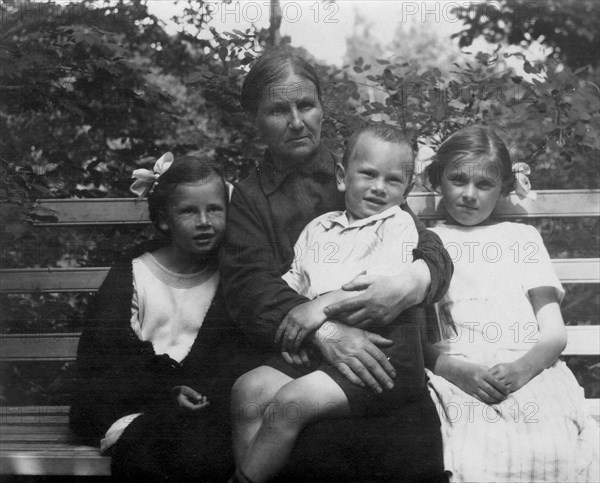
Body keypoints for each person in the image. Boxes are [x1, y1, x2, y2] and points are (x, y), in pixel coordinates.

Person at [220, 51, 453, 482]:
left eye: (305, 105)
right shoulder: (252, 199)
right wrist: (325, 329)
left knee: (357, 437)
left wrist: (413, 281)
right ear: (255, 119)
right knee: (256, 398)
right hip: (305, 353)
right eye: (277, 109)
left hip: (383, 354)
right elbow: (251, 290)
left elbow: (430, 249)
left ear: (322, 108)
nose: (296, 121)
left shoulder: (368, 172)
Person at [423, 125, 599, 482]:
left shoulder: (521, 238)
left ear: (503, 187)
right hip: (455, 372)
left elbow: (553, 334)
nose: (470, 194)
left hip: (527, 366)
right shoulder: (427, 242)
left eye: (484, 185)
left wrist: (522, 369)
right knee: (468, 451)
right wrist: (451, 369)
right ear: (438, 180)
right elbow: (412, 332)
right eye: (458, 180)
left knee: (551, 446)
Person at [70, 154, 241, 481]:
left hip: (204, 411)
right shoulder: (134, 274)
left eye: (215, 209)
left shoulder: (232, 278)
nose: (204, 221)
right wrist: (166, 391)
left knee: (208, 449)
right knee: (152, 445)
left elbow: (233, 355)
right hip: (138, 403)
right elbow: (107, 357)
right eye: (189, 211)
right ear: (164, 220)